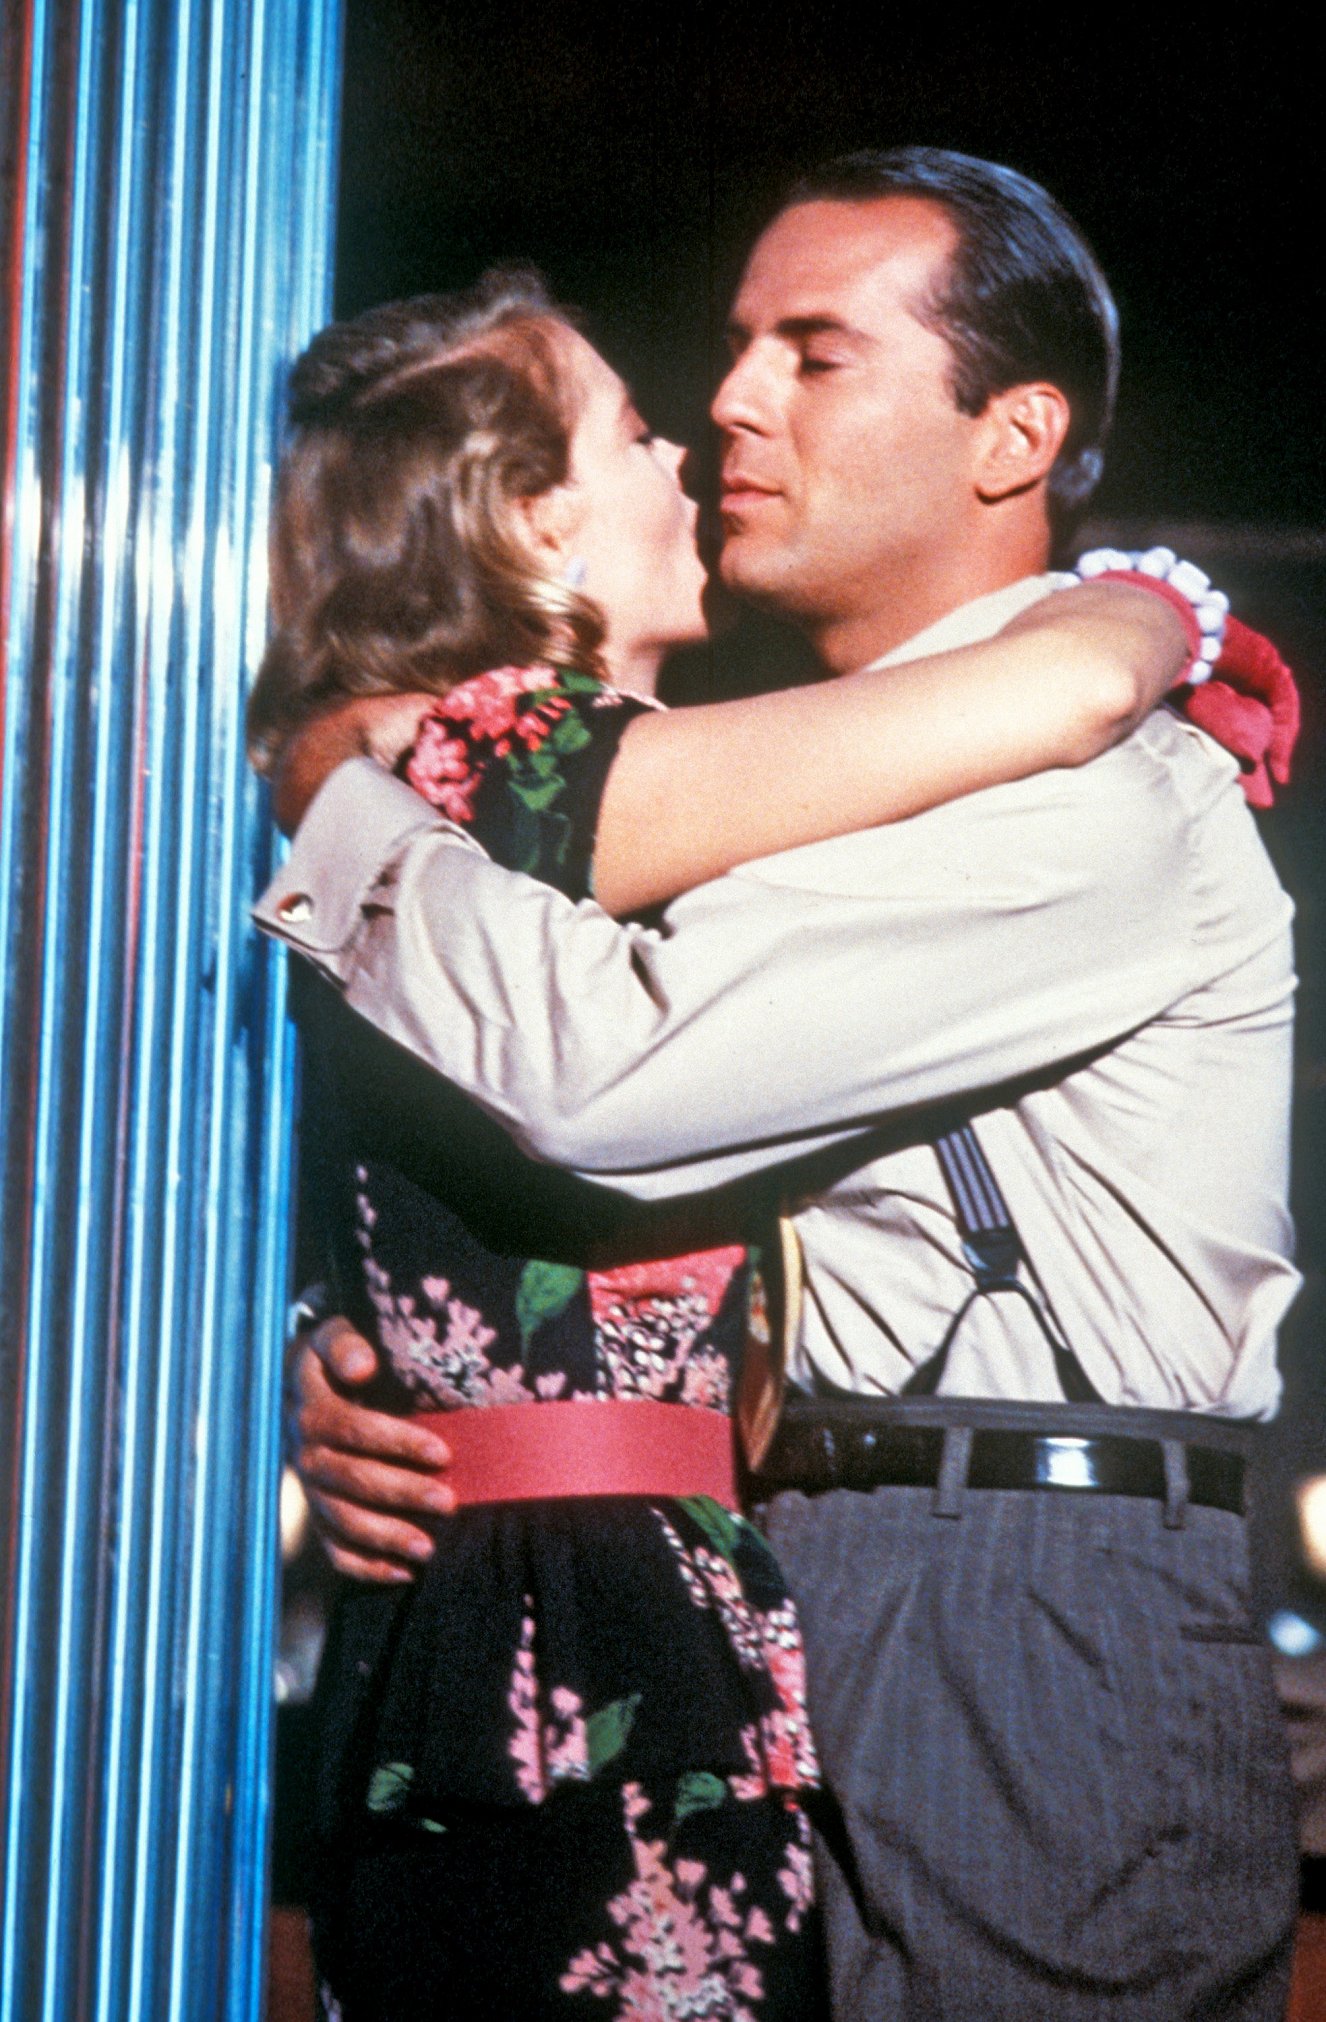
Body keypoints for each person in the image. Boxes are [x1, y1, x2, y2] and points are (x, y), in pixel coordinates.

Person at [259, 152, 1302, 2019]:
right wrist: (373, 1369)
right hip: (787, 1560)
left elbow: (608, 1075)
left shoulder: (1093, 793)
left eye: (813, 354)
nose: (732, 399)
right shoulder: (816, 773)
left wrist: (326, 801)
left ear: (1012, 434)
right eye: (737, 346)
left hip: (1024, 1590)